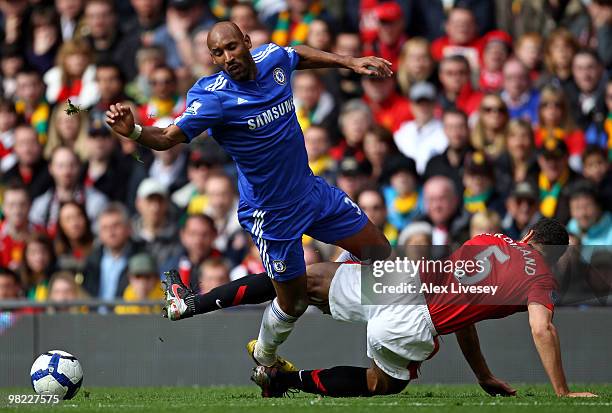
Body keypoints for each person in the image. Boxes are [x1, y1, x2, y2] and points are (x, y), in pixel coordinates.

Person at [106, 21, 392, 371]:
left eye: (232, 47)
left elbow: (296, 54)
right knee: (294, 303)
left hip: (312, 192)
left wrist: (349, 62)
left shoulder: (272, 58)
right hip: (271, 214)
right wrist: (133, 131)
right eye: (218, 53)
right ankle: (265, 357)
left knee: (380, 254)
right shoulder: (213, 98)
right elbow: (167, 137)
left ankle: (327, 286)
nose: (228, 57)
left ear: (247, 41)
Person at [161, 217, 597, 399]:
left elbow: (465, 304)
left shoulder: (491, 238)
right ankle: (280, 379)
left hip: (407, 275)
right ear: (554, 255)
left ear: (528, 234)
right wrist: (562, 392)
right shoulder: (540, 276)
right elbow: (542, 329)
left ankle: (190, 303)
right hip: (417, 318)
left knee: (302, 281)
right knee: (382, 384)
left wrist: (482, 373)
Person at [393, 82, 448, 175]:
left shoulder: (444, 131)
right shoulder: (403, 131)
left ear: (435, 104)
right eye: (419, 103)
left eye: (427, 103)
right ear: (411, 105)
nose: (423, 107)